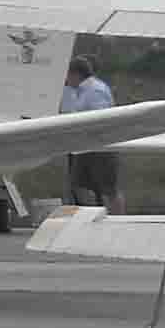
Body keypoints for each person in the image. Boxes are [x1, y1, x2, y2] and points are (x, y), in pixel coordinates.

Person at [60, 54, 122, 211]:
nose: (65, 80)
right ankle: (92, 216)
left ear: (75, 74)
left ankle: (117, 219)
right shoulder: (81, 90)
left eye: (67, 75)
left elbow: (101, 118)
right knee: (79, 185)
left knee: (108, 190)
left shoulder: (95, 91)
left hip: (101, 146)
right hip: (84, 146)